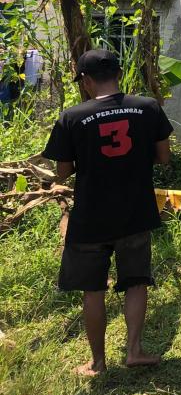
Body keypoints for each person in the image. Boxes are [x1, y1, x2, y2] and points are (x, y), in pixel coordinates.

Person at [42, 49, 173, 376]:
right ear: (119, 74)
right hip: (135, 212)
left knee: (93, 289)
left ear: (86, 80)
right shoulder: (148, 107)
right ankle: (134, 351)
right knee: (136, 282)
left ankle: (97, 362)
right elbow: (163, 157)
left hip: (91, 217)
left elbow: (63, 172)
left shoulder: (72, 117)